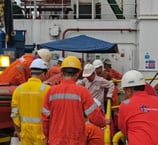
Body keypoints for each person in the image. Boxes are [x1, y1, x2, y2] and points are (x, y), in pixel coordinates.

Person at [41, 56, 106, 145]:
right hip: (76, 141)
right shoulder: (83, 92)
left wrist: (49, 135)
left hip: (55, 140)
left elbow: (45, 119)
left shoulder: (51, 92)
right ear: (78, 73)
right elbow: (95, 117)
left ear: (62, 72)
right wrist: (104, 122)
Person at [10, 58, 51, 145]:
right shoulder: (47, 90)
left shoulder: (18, 89)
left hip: (25, 134)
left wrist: (17, 130)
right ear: (44, 73)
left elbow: (14, 114)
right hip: (41, 134)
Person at [118, 70, 158, 145]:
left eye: (124, 91)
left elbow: (123, 130)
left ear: (129, 90)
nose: (125, 95)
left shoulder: (125, 104)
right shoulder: (157, 100)